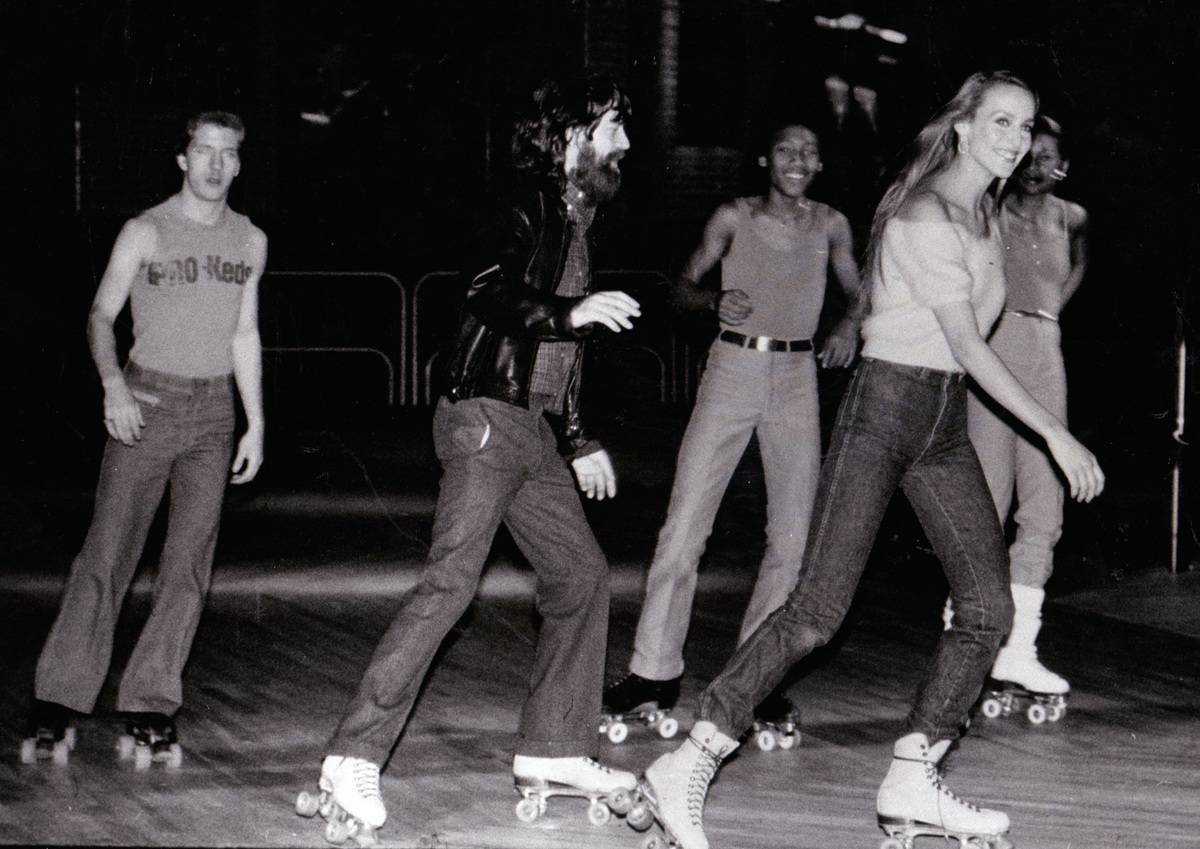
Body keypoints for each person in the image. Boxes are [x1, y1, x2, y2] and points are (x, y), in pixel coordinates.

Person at [633, 71, 1104, 849]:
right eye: (1000, 122)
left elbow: (979, 346)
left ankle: (914, 773)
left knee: (989, 609)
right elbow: (963, 343)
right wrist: (1054, 433)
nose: (1016, 139)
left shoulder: (984, 213)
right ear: (962, 127)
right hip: (885, 408)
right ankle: (687, 760)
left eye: (1024, 126)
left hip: (943, 418)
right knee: (818, 609)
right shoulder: (926, 214)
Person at [305, 75, 643, 841]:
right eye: (615, 127)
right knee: (451, 579)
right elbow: (492, 291)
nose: (626, 145)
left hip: (534, 433)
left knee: (581, 573)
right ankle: (352, 754)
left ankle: (555, 747)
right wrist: (567, 310)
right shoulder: (522, 204)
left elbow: (567, 350)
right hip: (485, 418)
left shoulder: (579, 222)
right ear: (570, 138)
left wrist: (581, 435)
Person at [602, 123, 863, 740]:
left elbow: (860, 292)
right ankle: (654, 671)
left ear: (820, 163)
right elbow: (682, 285)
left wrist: (850, 325)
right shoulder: (733, 216)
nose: (797, 159)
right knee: (686, 520)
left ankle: (756, 675)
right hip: (733, 366)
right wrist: (708, 303)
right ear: (764, 158)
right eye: (785, 149)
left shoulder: (831, 224)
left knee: (794, 535)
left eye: (809, 151)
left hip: (798, 373)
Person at [24, 111, 266, 766]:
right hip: (147, 403)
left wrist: (257, 421)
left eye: (228, 153)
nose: (215, 164)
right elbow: (101, 315)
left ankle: (150, 703)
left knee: (188, 565)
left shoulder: (250, 239)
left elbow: (244, 333)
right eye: (203, 150)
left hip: (214, 413)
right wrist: (113, 386)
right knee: (107, 552)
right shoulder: (146, 230)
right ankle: (60, 697)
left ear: (239, 164)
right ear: (182, 159)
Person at [963, 115, 1088, 708]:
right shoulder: (987, 210)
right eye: (1027, 155)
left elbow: (1075, 266)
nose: (1036, 166)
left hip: (1047, 355)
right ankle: (964, 641)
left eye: (1048, 157)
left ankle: (1019, 649)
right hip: (993, 355)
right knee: (987, 500)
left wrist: (1048, 311)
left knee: (1044, 505)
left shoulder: (1073, 217)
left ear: (1062, 162)